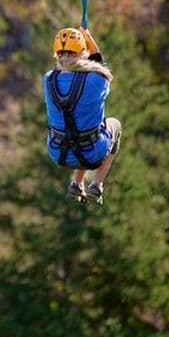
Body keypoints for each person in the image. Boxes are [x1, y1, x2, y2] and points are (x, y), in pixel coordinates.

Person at [43, 27, 122, 205]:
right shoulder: (97, 79)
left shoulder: (48, 79)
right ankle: (96, 185)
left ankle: (77, 184)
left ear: (57, 54)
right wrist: (88, 37)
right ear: (82, 53)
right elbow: (101, 65)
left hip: (58, 152)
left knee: (79, 126)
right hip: (93, 154)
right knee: (113, 124)